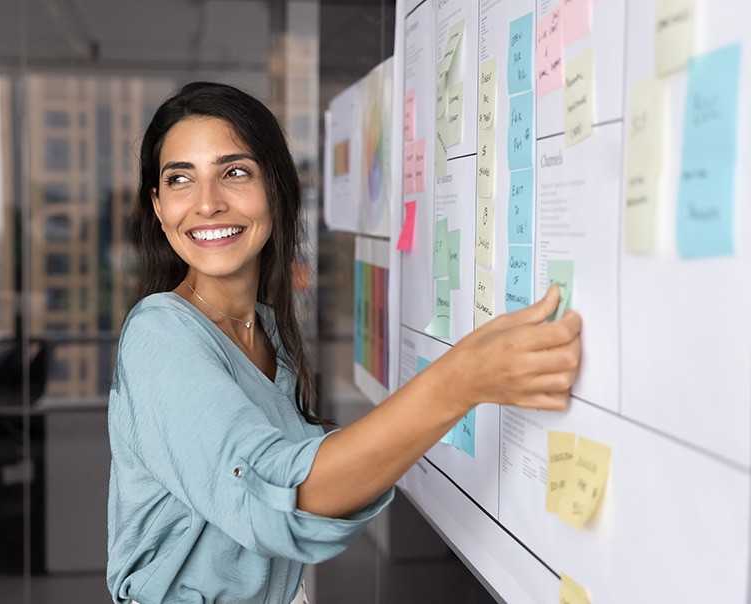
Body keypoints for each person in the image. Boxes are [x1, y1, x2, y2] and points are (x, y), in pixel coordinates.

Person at [106, 81, 582, 604]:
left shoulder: (268, 333)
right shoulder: (159, 333)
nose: (207, 204)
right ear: (157, 204)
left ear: (278, 189)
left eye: (234, 172)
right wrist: (459, 381)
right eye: (180, 180)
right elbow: (281, 497)